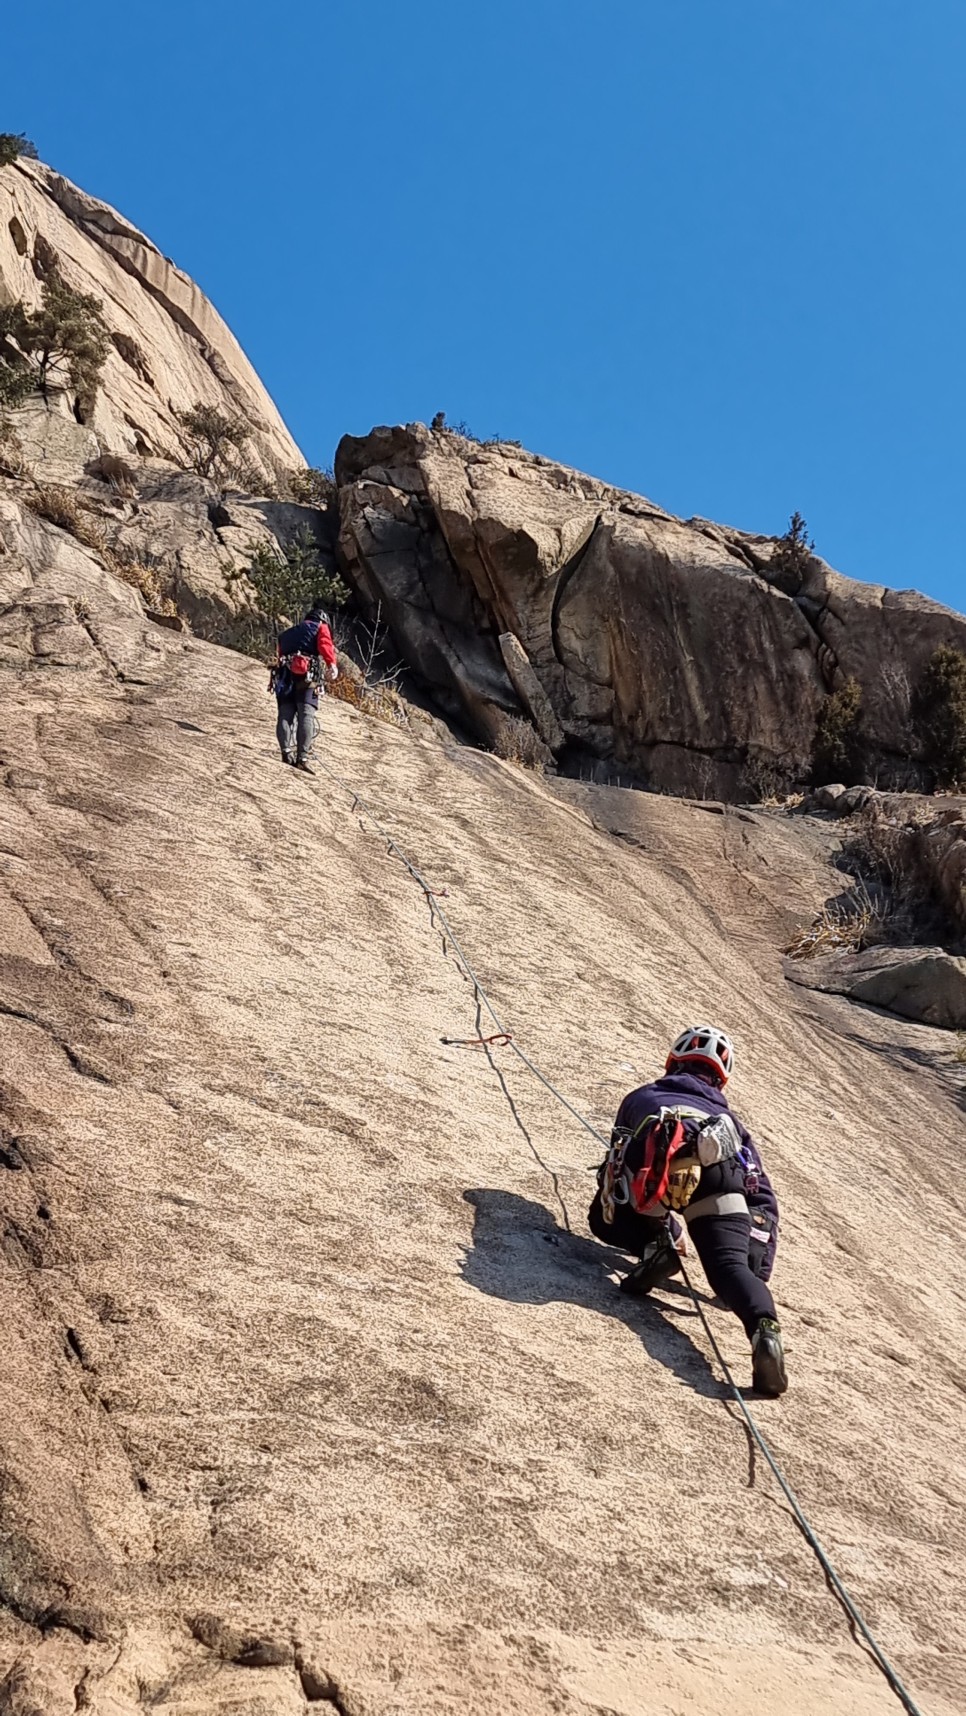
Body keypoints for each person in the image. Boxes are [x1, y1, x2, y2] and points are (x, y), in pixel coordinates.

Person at [588, 1024, 787, 1396]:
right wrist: (754, 1267)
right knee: (728, 1269)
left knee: (606, 1212)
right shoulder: (732, 1125)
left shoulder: (643, 1096)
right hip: (721, 1173)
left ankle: (655, 1245)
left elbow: (617, 1160)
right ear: (721, 1081)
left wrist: (668, 1228)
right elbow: (759, 1191)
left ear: (672, 1062)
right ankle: (765, 1329)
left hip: (659, 1164)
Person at [273, 603, 338, 773]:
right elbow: (325, 645)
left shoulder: (285, 635)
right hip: (307, 677)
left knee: (285, 714)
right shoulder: (320, 627)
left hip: (284, 677)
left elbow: (279, 656)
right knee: (306, 714)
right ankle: (302, 758)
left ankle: (286, 752)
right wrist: (332, 665)